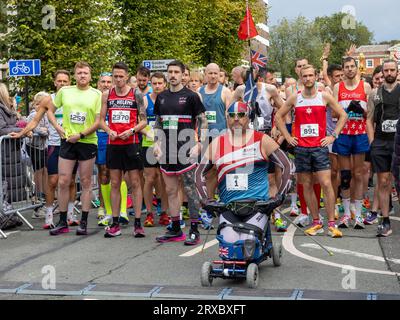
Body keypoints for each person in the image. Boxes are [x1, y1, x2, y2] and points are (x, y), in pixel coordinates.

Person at [11, 61, 102, 236]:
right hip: (66, 141)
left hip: (87, 141)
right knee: (62, 181)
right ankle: (62, 221)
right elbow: (47, 112)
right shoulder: (65, 92)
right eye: (79, 72)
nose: (82, 75)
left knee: (84, 182)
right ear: (75, 75)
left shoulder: (97, 94)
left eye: (85, 73)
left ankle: (83, 221)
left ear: (90, 76)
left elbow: (98, 121)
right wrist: (57, 127)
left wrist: (81, 135)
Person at [195, 101, 292, 237]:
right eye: (231, 115)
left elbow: (287, 165)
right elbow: (199, 173)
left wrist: (280, 196)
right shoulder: (217, 143)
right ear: (227, 118)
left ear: (248, 117)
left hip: (257, 206)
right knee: (229, 249)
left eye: (241, 115)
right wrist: (205, 200)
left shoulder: (262, 140)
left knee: (249, 244)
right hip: (228, 206)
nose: (236, 118)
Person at [275, 64, 348, 238]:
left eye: (310, 75)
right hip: (301, 148)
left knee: (326, 183)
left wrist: (333, 136)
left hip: (320, 147)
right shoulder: (295, 97)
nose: (307, 79)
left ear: (316, 76)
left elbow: (343, 115)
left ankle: (331, 223)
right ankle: (316, 222)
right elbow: (278, 116)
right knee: (306, 185)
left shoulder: (324, 96)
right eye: (304, 76)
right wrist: (288, 136)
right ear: (301, 77)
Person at [153, 60, 208, 245]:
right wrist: (157, 144)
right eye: (170, 72)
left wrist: (200, 143)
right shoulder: (161, 97)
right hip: (167, 150)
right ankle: (176, 228)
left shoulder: (192, 96)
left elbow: (203, 122)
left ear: (183, 74)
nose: (173, 75)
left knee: (190, 190)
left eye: (177, 72)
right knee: (170, 190)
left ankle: (194, 229)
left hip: (187, 149)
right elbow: (158, 122)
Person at [99, 62, 147, 238]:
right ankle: (115, 223)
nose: (118, 79)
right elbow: (101, 120)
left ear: (127, 76)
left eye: (121, 76)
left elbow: (144, 121)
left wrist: (132, 130)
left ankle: (137, 224)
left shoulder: (136, 94)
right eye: (115, 76)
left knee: (135, 183)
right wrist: (109, 130)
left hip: (131, 142)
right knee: (114, 183)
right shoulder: (107, 95)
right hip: (114, 144)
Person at [333, 57, 372, 229]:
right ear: (343, 69)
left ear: (357, 68)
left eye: (352, 66)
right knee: (346, 176)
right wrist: (346, 110)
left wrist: (361, 110)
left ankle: (358, 214)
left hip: (359, 133)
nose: (349, 69)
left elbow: (370, 115)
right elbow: (334, 115)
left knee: (358, 174)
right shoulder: (337, 87)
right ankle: (346, 214)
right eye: (346, 67)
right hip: (343, 134)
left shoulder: (365, 86)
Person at [38, 70, 79, 228]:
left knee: (70, 181)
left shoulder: (74, 98)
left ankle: (70, 214)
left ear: (69, 83)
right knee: (53, 181)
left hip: (71, 144)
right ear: (54, 82)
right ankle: (49, 217)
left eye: (65, 81)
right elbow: (35, 119)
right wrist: (23, 131)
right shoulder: (49, 100)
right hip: (54, 145)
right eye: (59, 81)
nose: (62, 84)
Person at [368, 60, 399, 237]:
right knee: (384, 182)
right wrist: (372, 142)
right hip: (380, 143)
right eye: (386, 70)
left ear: (396, 72)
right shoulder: (374, 94)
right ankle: (385, 221)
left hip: (398, 142)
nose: (388, 73)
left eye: (391, 70)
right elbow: (369, 119)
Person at [141, 72, 170, 227]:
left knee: (165, 179)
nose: (157, 86)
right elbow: (139, 123)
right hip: (149, 144)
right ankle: (149, 213)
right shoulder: (145, 100)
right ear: (150, 84)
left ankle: (165, 212)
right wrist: (149, 134)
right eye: (154, 83)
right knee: (150, 178)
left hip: (166, 144)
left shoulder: (169, 99)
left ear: (165, 84)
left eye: (160, 83)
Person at [25, 92, 49, 207]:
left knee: (44, 169)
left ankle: (44, 193)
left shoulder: (45, 114)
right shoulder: (33, 114)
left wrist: (45, 130)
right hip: (33, 146)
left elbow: (49, 128)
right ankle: (37, 194)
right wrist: (44, 130)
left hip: (43, 145)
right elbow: (38, 130)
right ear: (38, 103)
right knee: (38, 171)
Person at [96, 72, 113, 222]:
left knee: (111, 171)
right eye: (103, 82)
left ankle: (113, 206)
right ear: (98, 84)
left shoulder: (115, 98)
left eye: (109, 82)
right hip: (95, 137)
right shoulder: (93, 97)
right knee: (102, 171)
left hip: (112, 137)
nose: (106, 84)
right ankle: (102, 205)